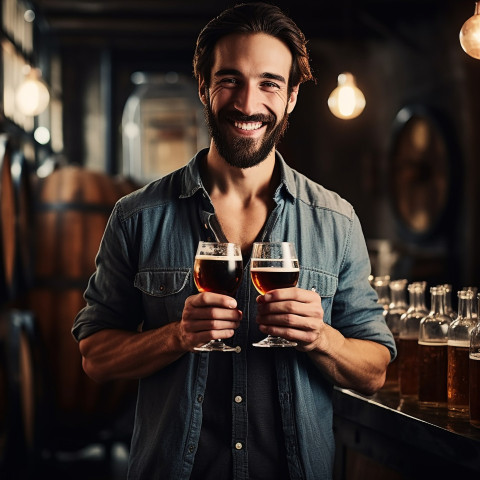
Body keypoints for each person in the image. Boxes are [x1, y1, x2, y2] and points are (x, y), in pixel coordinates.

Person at [72, 3, 396, 479]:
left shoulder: (336, 219)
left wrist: (321, 338)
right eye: (230, 80)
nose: (248, 104)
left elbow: (375, 368)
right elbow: (94, 356)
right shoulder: (136, 216)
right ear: (203, 87)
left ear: (290, 98)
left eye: (269, 83)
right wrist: (176, 336)